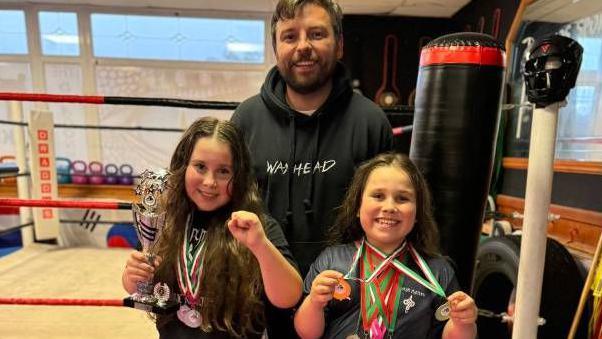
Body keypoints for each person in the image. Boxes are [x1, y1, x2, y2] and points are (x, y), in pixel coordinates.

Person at [231, 0, 393, 277]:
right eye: (290, 36)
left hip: (343, 291)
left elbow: (387, 218)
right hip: (259, 287)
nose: (303, 46)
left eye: (316, 34)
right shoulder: (246, 119)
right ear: (276, 49)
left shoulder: (370, 122)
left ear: (339, 45)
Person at [122, 117, 302, 338]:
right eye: (200, 167)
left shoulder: (254, 227)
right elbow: (138, 286)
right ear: (183, 166)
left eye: (223, 171)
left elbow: (290, 297)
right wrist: (133, 275)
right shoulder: (164, 222)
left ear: (239, 175)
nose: (209, 181)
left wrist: (261, 246)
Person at [294, 153, 477, 339]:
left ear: (417, 213)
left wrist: (463, 322)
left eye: (402, 198)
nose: (389, 207)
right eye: (378, 196)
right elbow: (307, 333)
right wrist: (314, 303)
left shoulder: (438, 272)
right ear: (358, 206)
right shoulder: (331, 260)